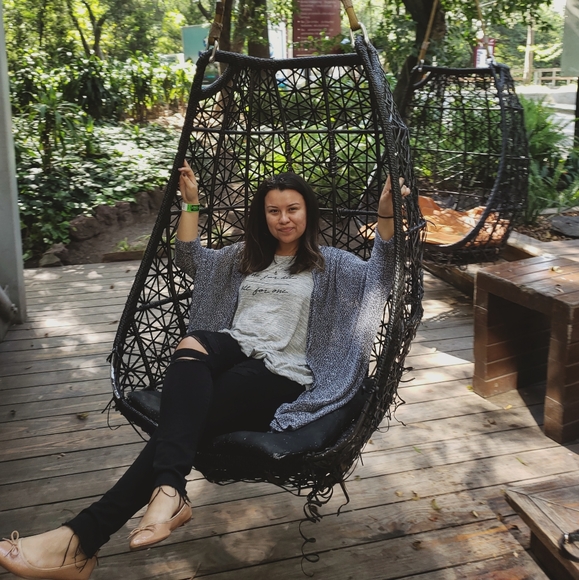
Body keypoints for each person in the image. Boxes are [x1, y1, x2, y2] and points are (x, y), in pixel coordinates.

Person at [0, 162, 409, 579]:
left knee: (188, 416)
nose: (284, 219)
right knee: (192, 343)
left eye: (293, 209)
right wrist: (191, 204)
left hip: (282, 372)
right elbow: (188, 256)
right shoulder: (244, 257)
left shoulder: (332, 264)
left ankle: (83, 538)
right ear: (262, 216)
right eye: (273, 211)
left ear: (308, 212)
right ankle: (159, 496)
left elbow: (382, 272)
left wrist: (386, 214)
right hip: (235, 347)